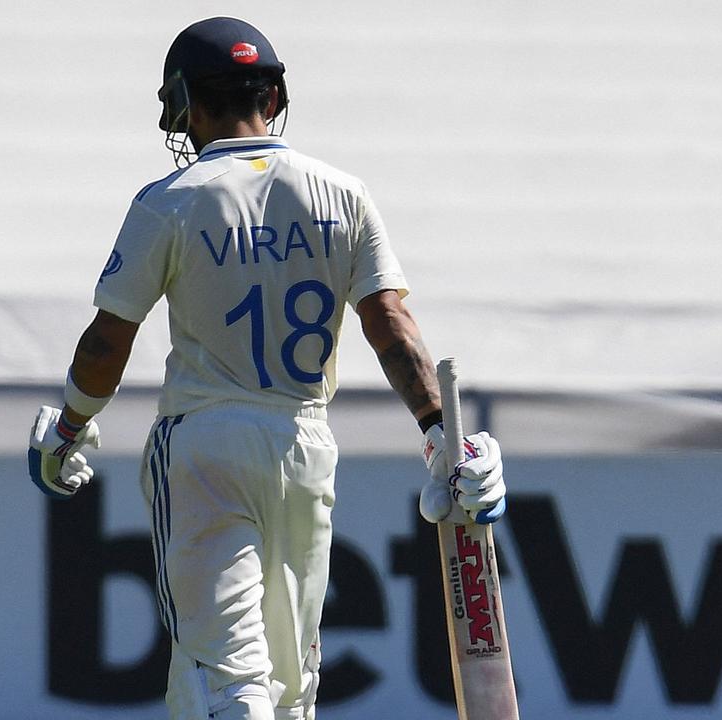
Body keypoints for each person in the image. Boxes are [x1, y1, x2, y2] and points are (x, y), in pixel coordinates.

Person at [27, 16, 506, 720]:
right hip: (304, 444)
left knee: (225, 680)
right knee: (290, 686)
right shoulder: (343, 193)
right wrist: (439, 430)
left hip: (205, 445)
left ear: (188, 104)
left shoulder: (172, 200)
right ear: (275, 95)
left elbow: (107, 342)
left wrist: (68, 426)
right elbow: (390, 325)